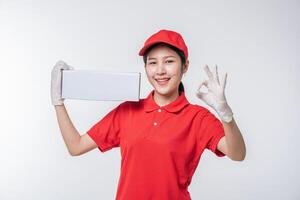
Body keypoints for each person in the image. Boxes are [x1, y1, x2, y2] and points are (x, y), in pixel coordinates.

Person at [51, 29, 246, 200]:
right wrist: (58, 102)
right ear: (146, 68)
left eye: (169, 61)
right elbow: (75, 146)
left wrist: (226, 115)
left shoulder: (198, 118)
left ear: (185, 66)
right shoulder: (127, 111)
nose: (160, 70)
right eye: (153, 63)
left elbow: (237, 154)